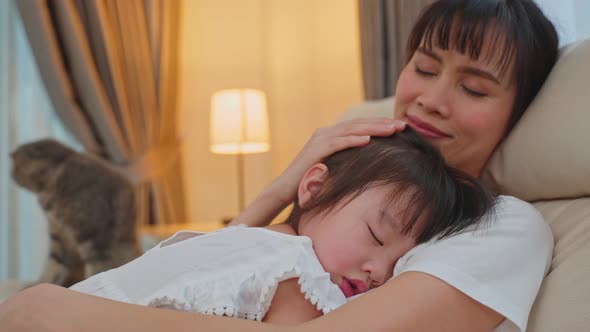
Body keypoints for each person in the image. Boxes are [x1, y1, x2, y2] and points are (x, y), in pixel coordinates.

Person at [0, 0, 559, 331]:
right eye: (425, 66)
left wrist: (55, 310)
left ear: (517, 111)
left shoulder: (502, 224)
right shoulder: (351, 185)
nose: (431, 99)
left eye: (473, 88)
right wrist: (276, 193)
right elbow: (207, 277)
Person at [66, 128, 494, 325]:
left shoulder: (256, 243)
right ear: (312, 187)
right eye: (376, 237)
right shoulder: (298, 270)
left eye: (398, 262)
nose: (379, 272)